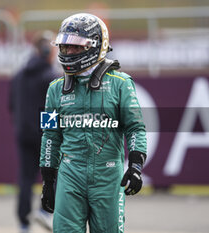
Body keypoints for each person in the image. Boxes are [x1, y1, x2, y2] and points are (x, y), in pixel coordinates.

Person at [39, 13, 147, 233]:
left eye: (76, 47)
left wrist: (136, 166)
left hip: (108, 176)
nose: (68, 52)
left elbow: (135, 127)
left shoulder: (121, 83)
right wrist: (48, 181)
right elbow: (50, 135)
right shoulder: (54, 88)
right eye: (65, 47)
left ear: (96, 45)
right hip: (70, 175)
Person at [9, 30, 59, 233]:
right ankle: (45, 212)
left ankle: (23, 224)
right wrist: (53, 133)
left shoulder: (18, 75)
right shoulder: (51, 77)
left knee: (25, 180)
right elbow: (53, 108)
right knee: (57, 174)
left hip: (23, 134)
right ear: (47, 50)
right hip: (44, 135)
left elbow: (12, 105)